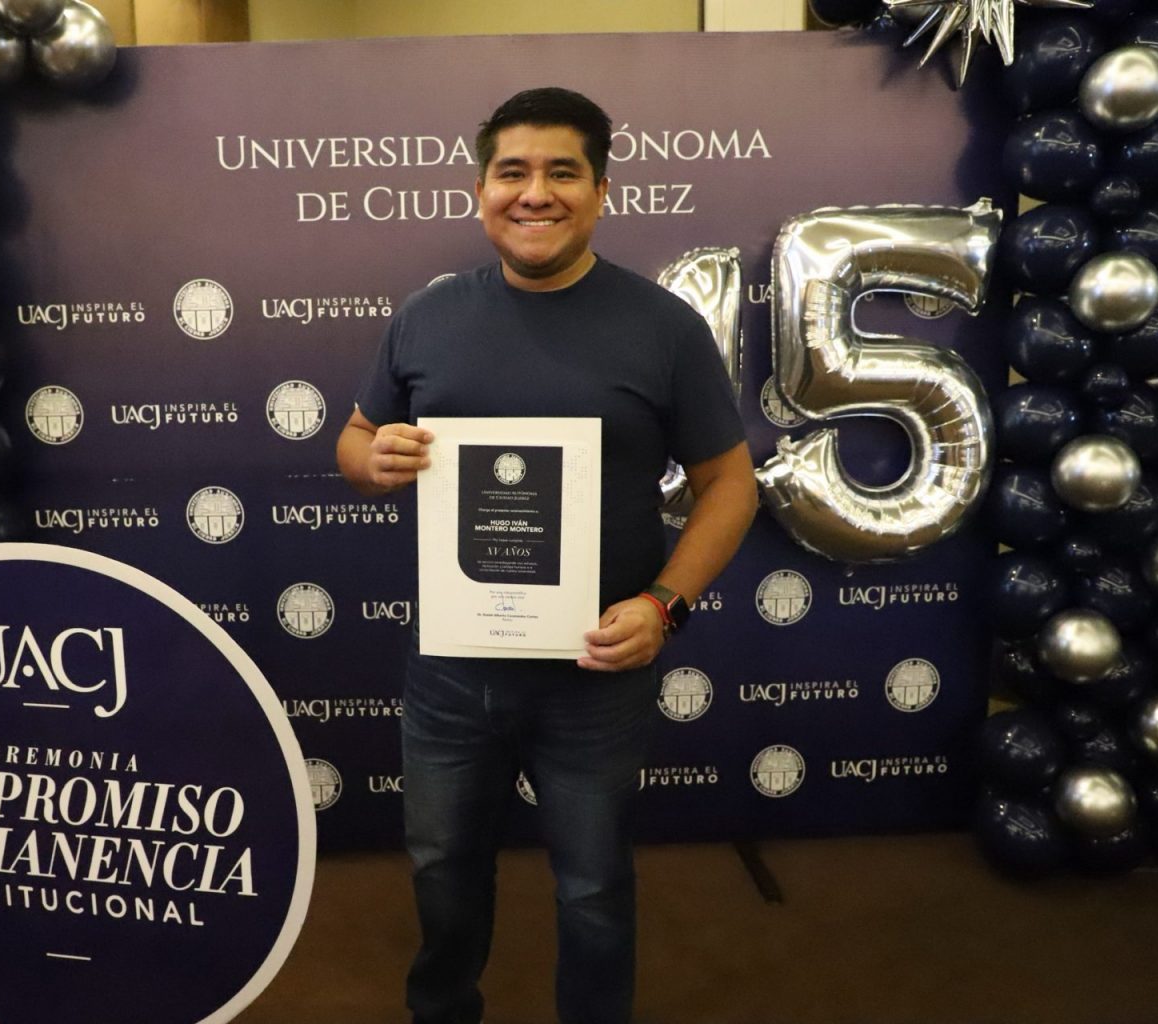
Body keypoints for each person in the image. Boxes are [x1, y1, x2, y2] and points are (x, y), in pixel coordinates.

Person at [335, 86, 758, 1024]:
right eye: (512, 172)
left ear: (601, 191)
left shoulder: (663, 327)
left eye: (562, 172)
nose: (535, 193)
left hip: (594, 670)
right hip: (453, 666)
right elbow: (356, 439)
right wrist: (374, 459)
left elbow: (730, 485)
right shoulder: (428, 316)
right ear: (480, 191)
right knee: (442, 869)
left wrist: (664, 605)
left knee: (594, 888)